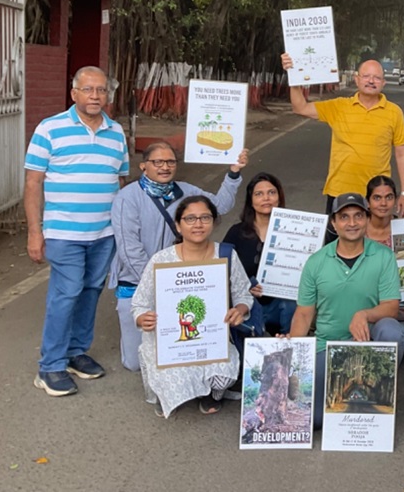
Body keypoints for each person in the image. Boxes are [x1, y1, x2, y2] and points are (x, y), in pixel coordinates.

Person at [24, 66, 130, 397]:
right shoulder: (50, 129)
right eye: (88, 90)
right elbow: (33, 182)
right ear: (74, 94)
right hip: (63, 233)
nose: (95, 96)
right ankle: (50, 365)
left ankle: (75, 352)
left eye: (101, 90)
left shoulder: (116, 133)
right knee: (66, 293)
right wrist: (34, 232)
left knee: (91, 292)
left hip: (104, 234)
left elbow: (121, 181)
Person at [111, 142, 248, 371]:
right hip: (137, 283)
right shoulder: (128, 198)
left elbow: (221, 205)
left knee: (186, 346)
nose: (165, 167)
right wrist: (158, 287)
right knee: (136, 364)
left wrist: (234, 172)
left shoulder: (186, 191)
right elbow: (129, 250)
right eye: (158, 162)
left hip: (181, 282)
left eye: (170, 162)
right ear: (144, 166)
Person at [286, 192, 404, 428]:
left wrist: (364, 314)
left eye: (358, 216)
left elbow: (392, 307)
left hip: (367, 346)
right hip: (326, 347)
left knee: (391, 330)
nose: (352, 223)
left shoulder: (384, 257)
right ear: (333, 222)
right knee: (317, 421)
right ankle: (349, 400)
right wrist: (292, 353)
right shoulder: (316, 262)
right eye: (344, 217)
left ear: (367, 219)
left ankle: (379, 394)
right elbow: (303, 314)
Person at [131, 196, 255, 417]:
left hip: (212, 337)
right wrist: (142, 318)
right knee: (169, 379)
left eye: (205, 217)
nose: (198, 224)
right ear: (178, 225)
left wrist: (240, 309)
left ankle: (211, 393)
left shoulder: (226, 255)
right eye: (190, 219)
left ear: (214, 222)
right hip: (169, 342)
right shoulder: (162, 260)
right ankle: (166, 393)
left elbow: (243, 293)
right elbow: (140, 303)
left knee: (222, 376)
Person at [281, 56, 404, 239]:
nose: (371, 81)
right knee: (336, 254)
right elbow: (300, 107)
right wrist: (293, 75)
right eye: (366, 76)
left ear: (383, 82)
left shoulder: (394, 112)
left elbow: (401, 154)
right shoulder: (339, 106)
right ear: (357, 79)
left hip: (376, 198)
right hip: (339, 193)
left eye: (376, 78)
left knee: (374, 255)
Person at [222, 172, 295, 336]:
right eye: (259, 194)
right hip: (248, 305)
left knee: (291, 303)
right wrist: (245, 287)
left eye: (271, 192)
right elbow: (222, 272)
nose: (266, 198)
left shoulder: (293, 231)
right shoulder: (236, 233)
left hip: (283, 306)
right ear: (250, 200)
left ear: (279, 196)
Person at [363, 175, 404, 351]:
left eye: (389, 197)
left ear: (395, 200)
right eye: (377, 198)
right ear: (368, 202)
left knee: (398, 342)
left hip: (399, 303)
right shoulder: (356, 231)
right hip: (361, 299)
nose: (383, 203)